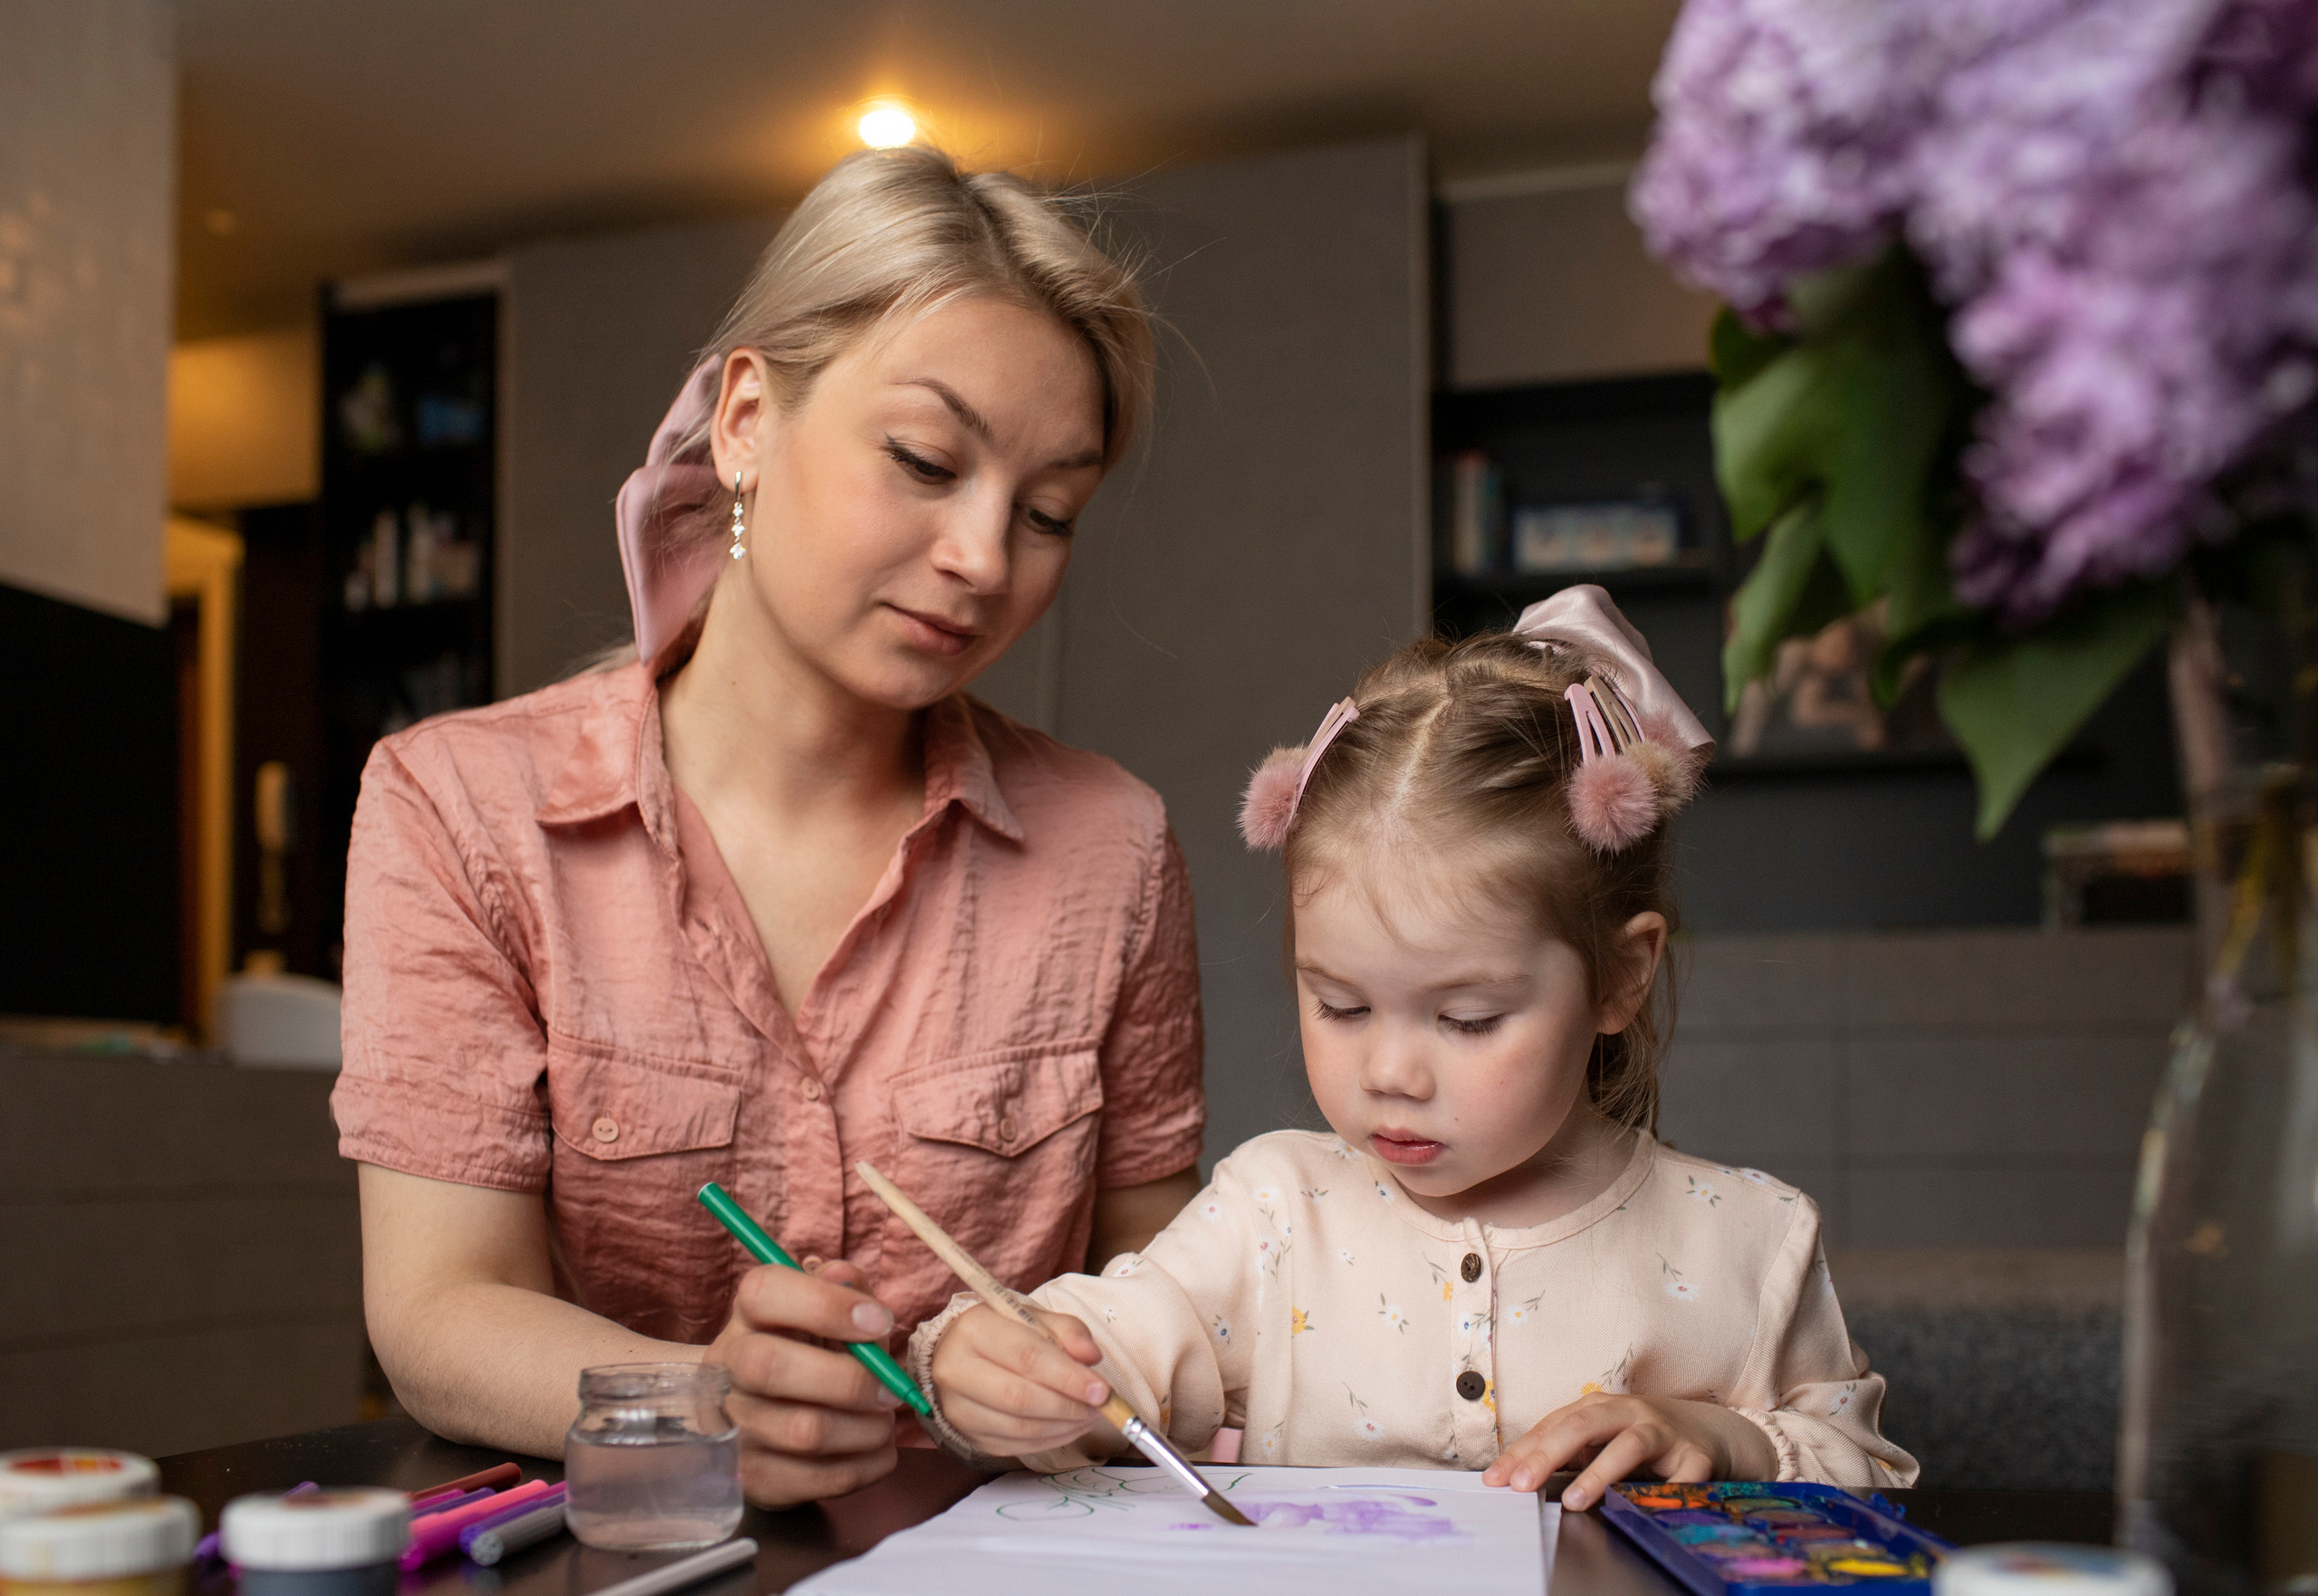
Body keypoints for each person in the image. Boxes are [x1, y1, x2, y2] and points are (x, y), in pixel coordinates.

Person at [333, 148, 1207, 1506]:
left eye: (1048, 513)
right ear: (745, 416)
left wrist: (1080, 1371)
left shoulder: (1115, 848)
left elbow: (1172, 1299)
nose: (985, 556)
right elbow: (440, 1306)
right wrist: (701, 1400)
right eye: (925, 459)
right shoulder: (456, 808)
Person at [911, 587, 1918, 1508]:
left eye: (1468, 1018)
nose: (1390, 1072)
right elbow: (1105, 1349)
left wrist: (1716, 1435)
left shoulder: (1749, 1238)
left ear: (1620, 975)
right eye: (1340, 1005)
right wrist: (1001, 1365)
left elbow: (1865, 1474)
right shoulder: (1273, 1211)